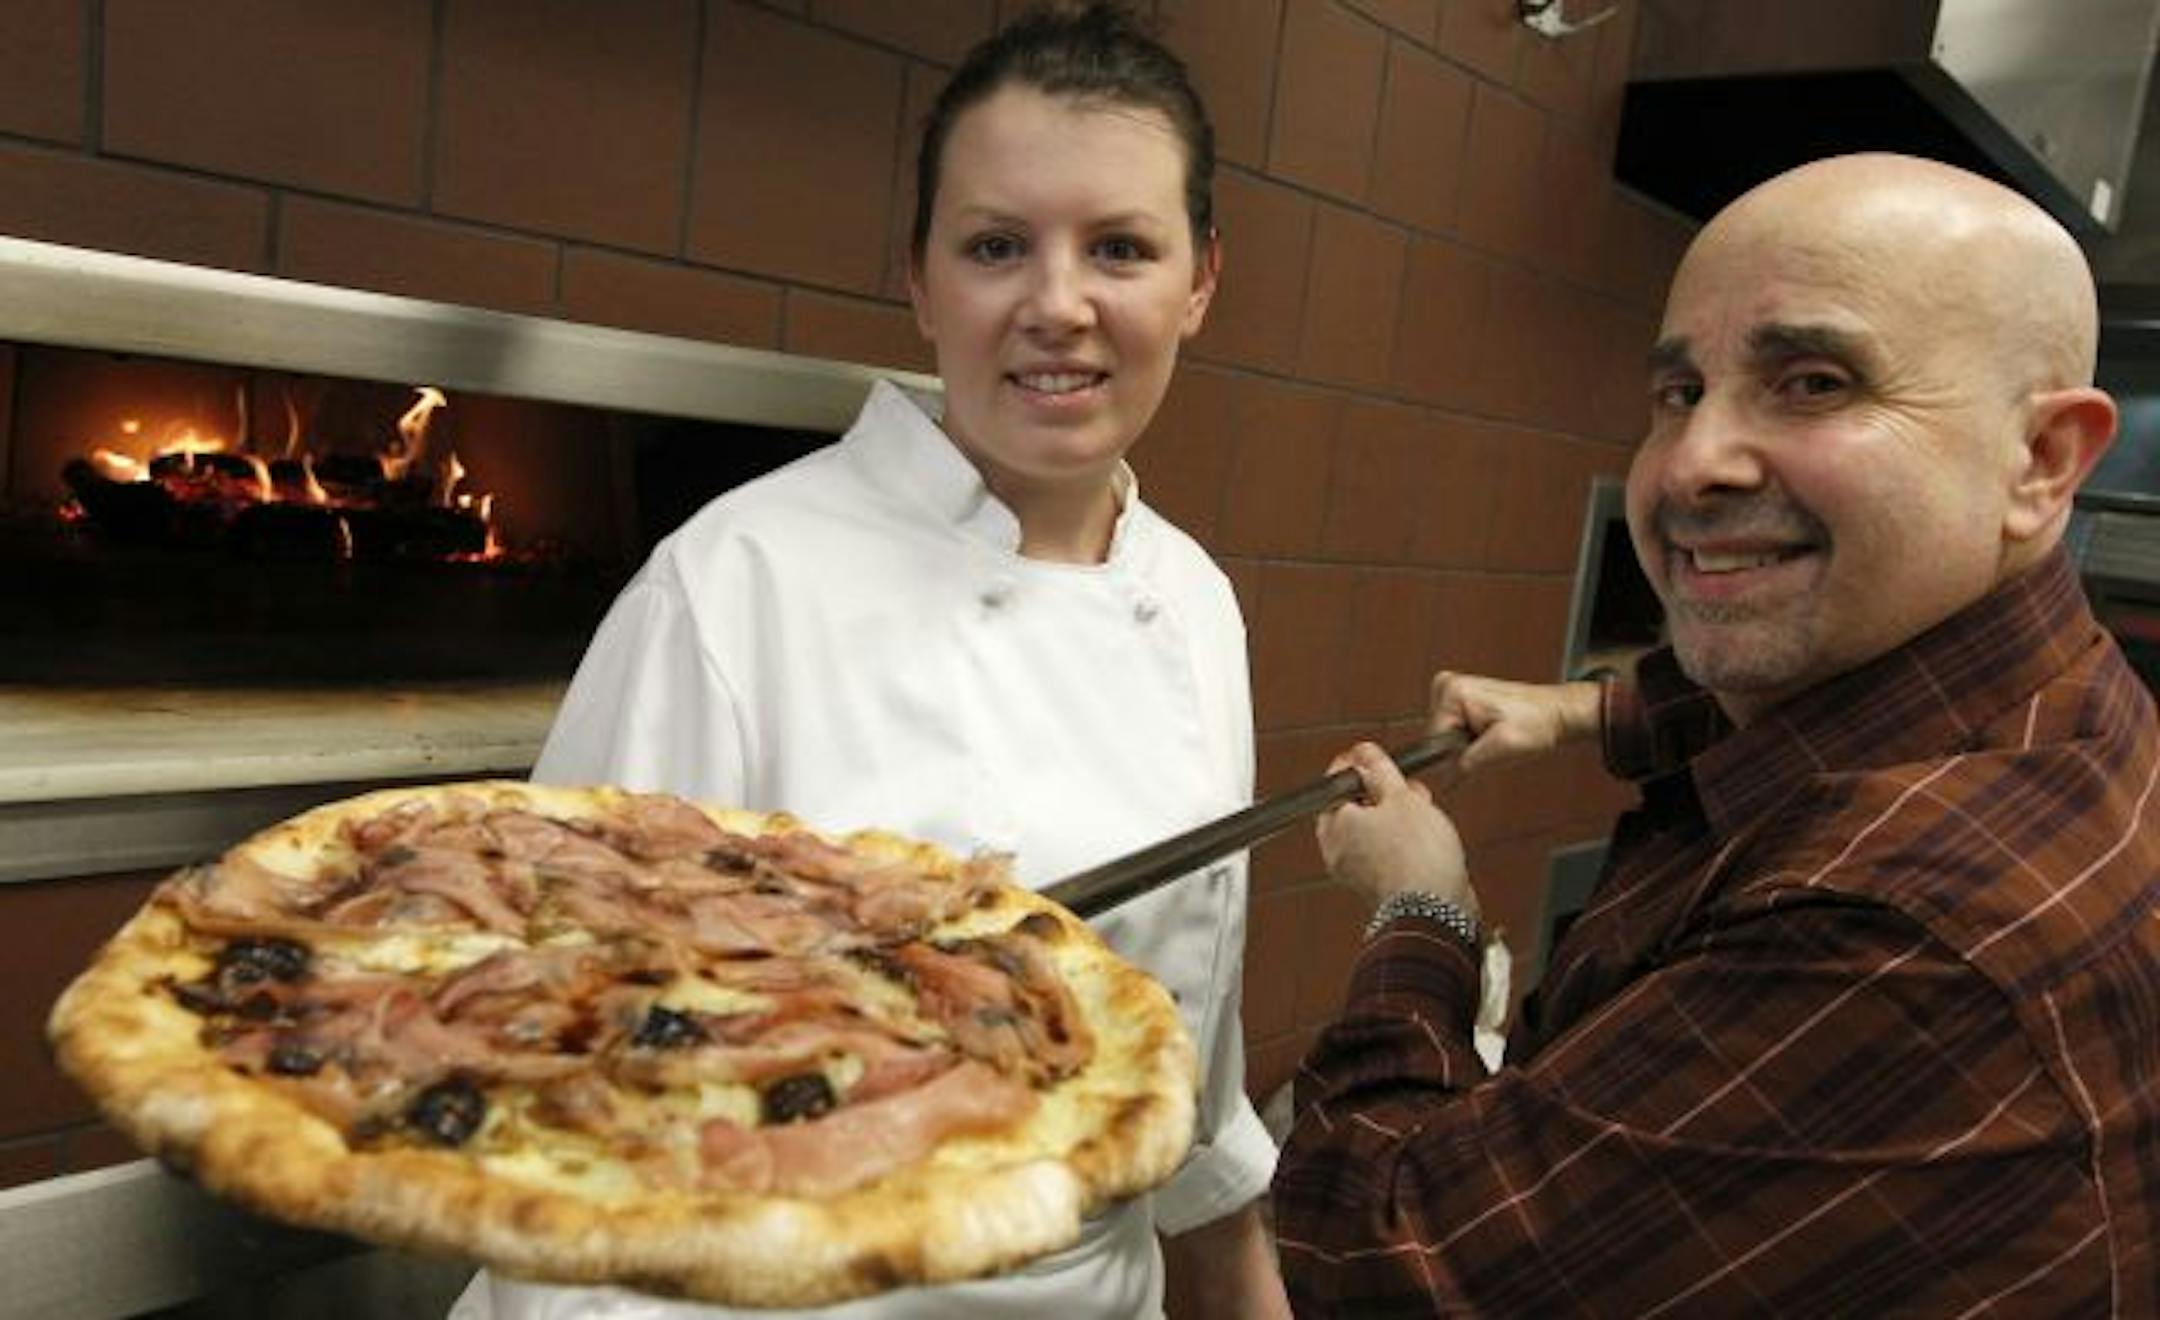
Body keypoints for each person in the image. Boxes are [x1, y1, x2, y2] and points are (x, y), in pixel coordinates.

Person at [450, 4, 1289, 1319]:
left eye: (1120, 247)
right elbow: (564, 1098)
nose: (1057, 306)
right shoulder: (734, 589)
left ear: (1200, 280)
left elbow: (1191, 1054)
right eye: (997, 245)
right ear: (919, 274)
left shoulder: (1194, 601)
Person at [1273, 152, 2160, 1316]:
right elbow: (1811, 697)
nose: (1692, 464)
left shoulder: (1904, 935)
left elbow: (1379, 1258)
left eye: (1815, 383)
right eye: (1681, 393)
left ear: (2041, 462)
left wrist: (1422, 910)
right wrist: (1576, 710)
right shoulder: (2052, 692)